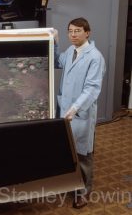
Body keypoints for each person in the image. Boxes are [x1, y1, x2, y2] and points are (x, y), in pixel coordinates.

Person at [54, 17, 105, 209]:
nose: (73, 34)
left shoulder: (95, 57)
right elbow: (58, 62)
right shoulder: (70, 51)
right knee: (68, 150)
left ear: (87, 32)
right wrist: (55, 42)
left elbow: (92, 88)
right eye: (70, 31)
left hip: (80, 112)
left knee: (83, 154)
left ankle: (83, 193)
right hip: (65, 109)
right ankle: (71, 184)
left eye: (77, 31)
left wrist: (75, 108)